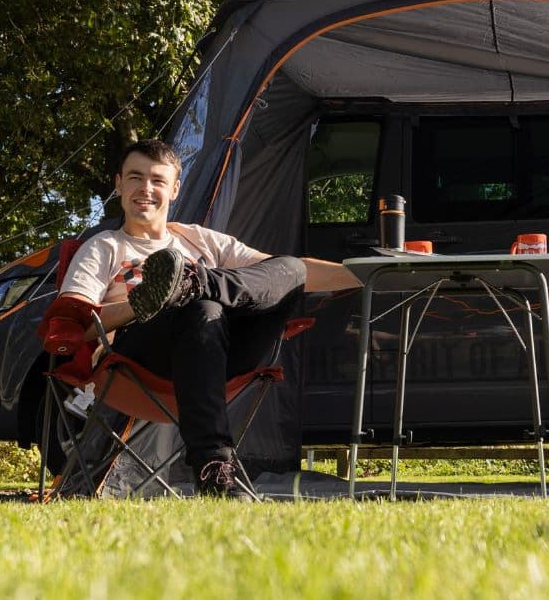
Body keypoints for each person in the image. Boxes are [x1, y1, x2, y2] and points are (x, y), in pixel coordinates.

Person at [40, 139, 360, 498]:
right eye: (135, 178)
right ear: (118, 184)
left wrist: (373, 275)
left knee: (287, 267)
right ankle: (214, 467)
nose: (146, 189)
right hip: (137, 363)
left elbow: (288, 272)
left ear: (175, 188)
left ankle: (195, 282)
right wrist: (146, 302)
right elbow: (76, 327)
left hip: (221, 355)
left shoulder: (198, 240)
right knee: (202, 309)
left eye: (158, 180)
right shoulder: (104, 247)